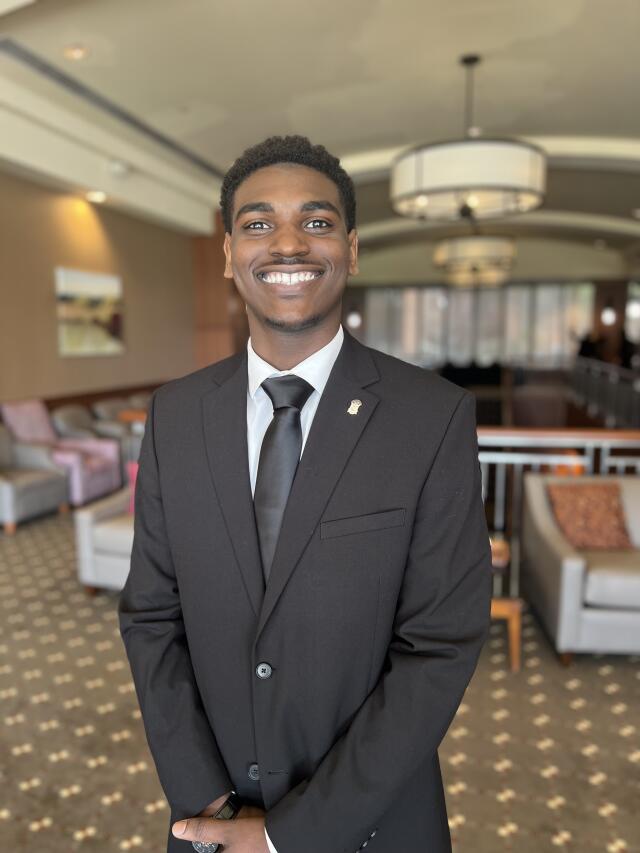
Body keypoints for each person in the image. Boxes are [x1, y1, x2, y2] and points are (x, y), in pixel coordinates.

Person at [118, 135, 493, 853]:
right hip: (210, 822)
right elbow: (150, 617)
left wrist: (289, 835)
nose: (287, 243)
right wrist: (212, 804)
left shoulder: (433, 416)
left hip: (370, 826)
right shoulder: (175, 413)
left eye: (316, 222)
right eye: (257, 223)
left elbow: (438, 647)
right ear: (228, 252)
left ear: (351, 249)